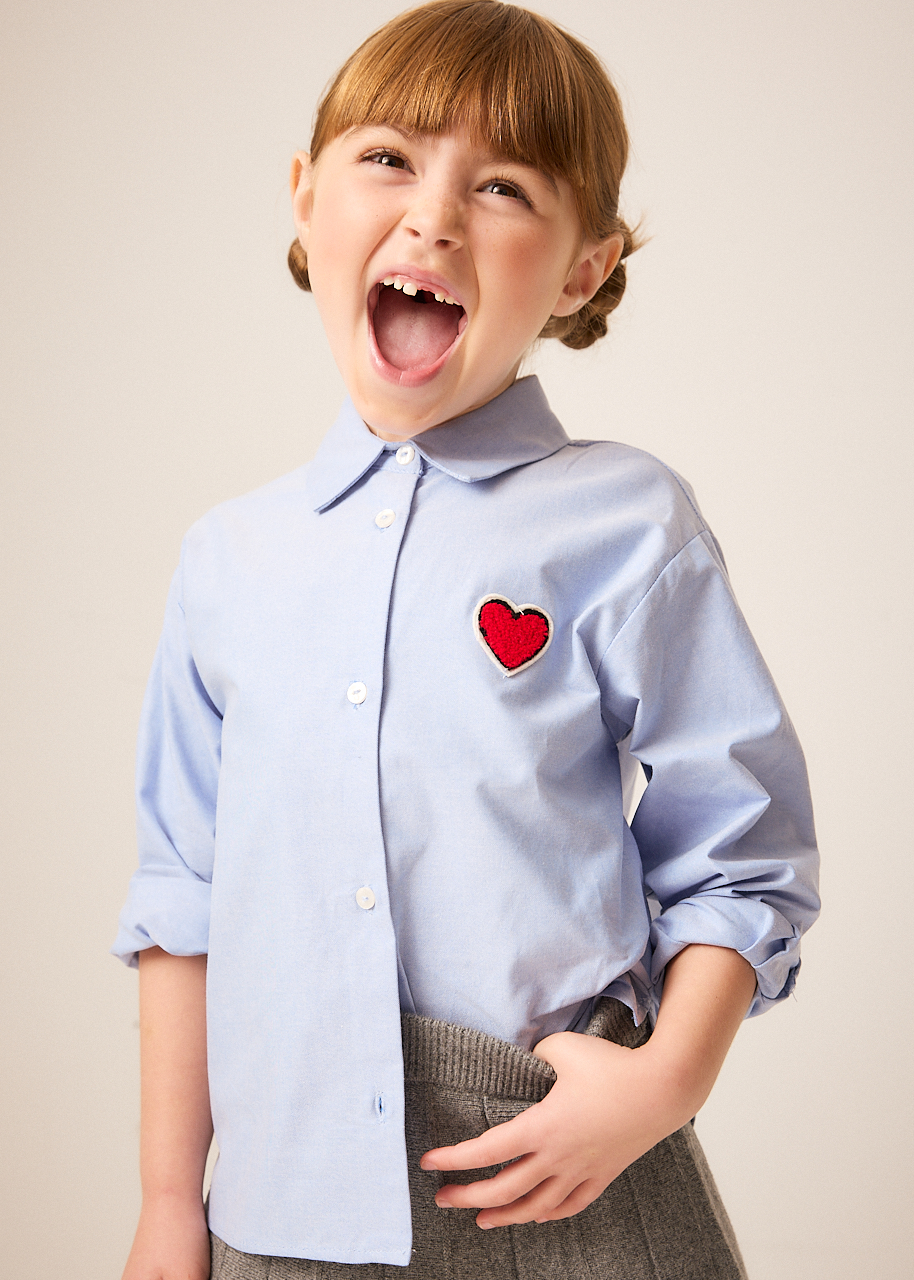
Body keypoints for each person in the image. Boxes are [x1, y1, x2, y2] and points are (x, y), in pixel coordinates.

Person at [113, 3, 820, 1277]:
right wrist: (171, 1202)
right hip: (278, 1193)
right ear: (304, 198)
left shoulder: (626, 521)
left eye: (501, 187)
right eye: (388, 158)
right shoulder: (227, 561)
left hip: (564, 1168)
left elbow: (741, 844)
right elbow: (182, 896)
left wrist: (662, 1080)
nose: (433, 217)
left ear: (582, 270)